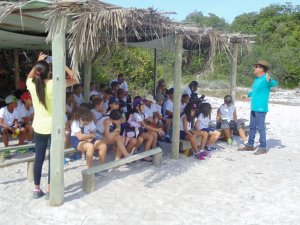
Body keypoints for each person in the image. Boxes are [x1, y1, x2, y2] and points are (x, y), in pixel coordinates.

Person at [26, 53, 77, 199]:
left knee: (39, 158)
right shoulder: (56, 83)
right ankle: (50, 190)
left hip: (39, 126)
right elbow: (75, 78)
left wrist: (38, 61)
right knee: (53, 158)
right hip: (54, 127)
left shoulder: (32, 84)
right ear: (49, 72)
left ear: (37, 71)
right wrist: (62, 64)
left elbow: (29, 77)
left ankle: (36, 189)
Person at [238, 60, 278, 155]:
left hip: (261, 108)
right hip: (254, 107)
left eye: (256, 67)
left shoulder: (265, 79)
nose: (254, 68)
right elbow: (255, 91)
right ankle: (250, 145)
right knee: (252, 127)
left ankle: (263, 147)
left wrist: (270, 80)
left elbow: (274, 83)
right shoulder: (256, 80)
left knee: (260, 127)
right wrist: (247, 95)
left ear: (261, 69)